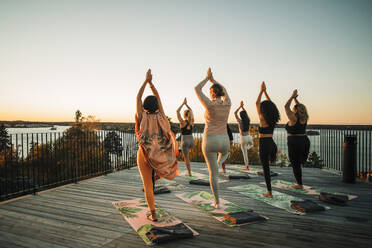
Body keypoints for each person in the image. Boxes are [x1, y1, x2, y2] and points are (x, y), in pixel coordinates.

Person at [135, 69, 179, 221]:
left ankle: (153, 214)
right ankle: (157, 174)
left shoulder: (142, 117)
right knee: (155, 176)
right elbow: (159, 98)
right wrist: (152, 84)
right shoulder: (162, 116)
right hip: (159, 155)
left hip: (144, 154)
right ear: (157, 106)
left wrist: (145, 81)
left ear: (144, 106)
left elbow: (138, 97)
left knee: (147, 185)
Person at [195, 68, 231, 208]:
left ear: (212, 93)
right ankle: (219, 162)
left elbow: (197, 89)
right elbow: (225, 89)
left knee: (213, 174)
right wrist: (213, 80)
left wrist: (207, 78)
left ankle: (216, 202)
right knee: (225, 153)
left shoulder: (210, 104)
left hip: (210, 140)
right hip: (224, 140)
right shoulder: (227, 103)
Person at [256, 81, 280, 198]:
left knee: (266, 169)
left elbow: (256, 102)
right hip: (272, 143)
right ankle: (273, 157)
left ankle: (269, 192)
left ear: (263, 109)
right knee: (269, 164)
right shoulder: (273, 118)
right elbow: (271, 105)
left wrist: (261, 91)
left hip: (264, 144)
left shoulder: (262, 118)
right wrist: (266, 92)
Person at [285, 89, 310, 189]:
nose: (293, 110)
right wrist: (295, 99)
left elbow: (286, 106)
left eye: (294, 109)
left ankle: (299, 184)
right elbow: (301, 108)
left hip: (295, 143)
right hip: (304, 141)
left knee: (295, 164)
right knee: (299, 164)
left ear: (296, 110)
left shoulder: (293, 118)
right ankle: (299, 181)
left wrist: (292, 97)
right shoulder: (304, 117)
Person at [177, 97, 195, 176]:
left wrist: (183, 104)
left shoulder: (182, 122)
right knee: (188, 155)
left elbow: (177, 111)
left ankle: (189, 173)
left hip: (184, 140)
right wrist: (187, 105)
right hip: (191, 140)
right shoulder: (192, 122)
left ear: (184, 115)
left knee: (186, 158)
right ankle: (189, 171)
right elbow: (191, 111)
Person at [234, 101, 253, 170]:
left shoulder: (240, 121)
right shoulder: (248, 120)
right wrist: (243, 107)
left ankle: (247, 167)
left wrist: (240, 106)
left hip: (243, 138)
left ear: (241, 116)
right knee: (251, 144)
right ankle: (249, 147)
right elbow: (246, 114)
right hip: (249, 137)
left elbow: (235, 113)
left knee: (245, 154)